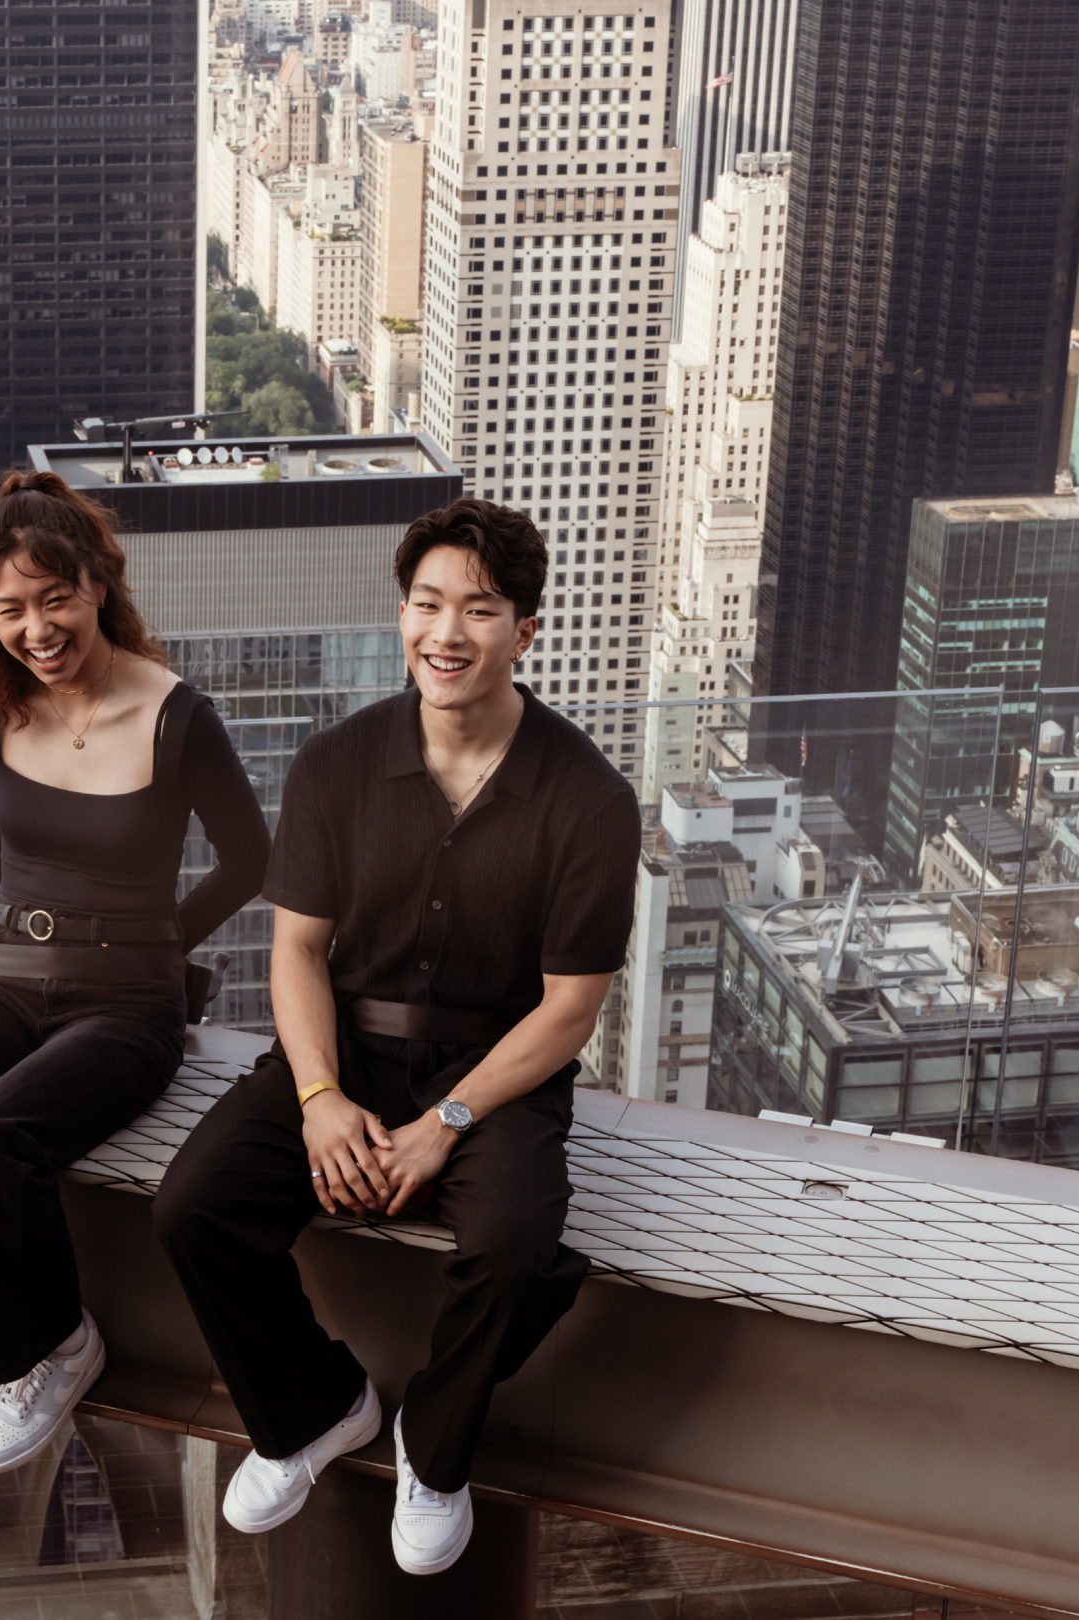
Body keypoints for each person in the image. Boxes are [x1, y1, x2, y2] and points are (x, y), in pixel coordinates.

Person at [151, 498, 639, 1574]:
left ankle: (435, 1441)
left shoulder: (590, 800)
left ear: (526, 630)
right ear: (402, 612)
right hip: (344, 1047)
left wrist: (446, 1125)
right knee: (193, 1207)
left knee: (514, 1247)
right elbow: (295, 955)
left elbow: (570, 1008)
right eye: (426, 604)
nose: (446, 633)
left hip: (496, 1070)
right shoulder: (334, 764)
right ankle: (316, 1406)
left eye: (479, 609)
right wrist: (321, 1099)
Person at [0, 468, 271, 1476]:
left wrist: (155, 939)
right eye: (11, 610)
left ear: (96, 589)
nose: (37, 629)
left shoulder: (176, 716)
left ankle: (53, 1344)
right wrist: (33, 922)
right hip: (7, 972)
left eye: (55, 600)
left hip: (127, 1001)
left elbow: (254, 859)